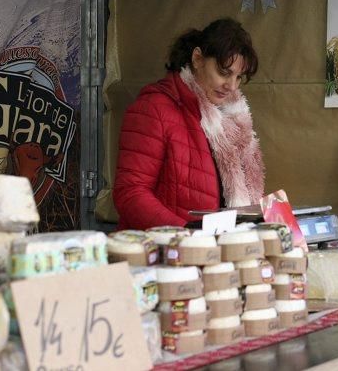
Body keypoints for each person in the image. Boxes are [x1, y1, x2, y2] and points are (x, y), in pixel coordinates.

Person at [113, 18, 264, 230]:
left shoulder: (230, 118)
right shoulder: (153, 108)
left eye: (239, 77)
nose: (231, 86)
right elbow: (130, 193)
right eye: (224, 72)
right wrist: (186, 234)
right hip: (166, 252)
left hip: (211, 250)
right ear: (197, 58)